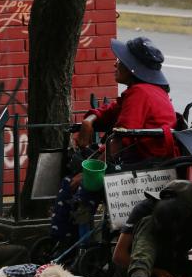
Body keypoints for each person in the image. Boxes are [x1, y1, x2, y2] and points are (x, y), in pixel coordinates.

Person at [49, 37, 180, 250]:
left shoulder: (141, 93)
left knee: (73, 184)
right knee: (77, 174)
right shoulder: (144, 90)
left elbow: (121, 138)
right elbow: (111, 112)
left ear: (134, 68)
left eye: (120, 61)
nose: (115, 63)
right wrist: (89, 120)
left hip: (142, 165)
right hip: (138, 159)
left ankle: (68, 245)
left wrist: (92, 171)